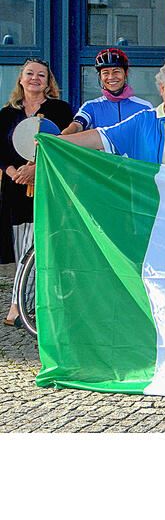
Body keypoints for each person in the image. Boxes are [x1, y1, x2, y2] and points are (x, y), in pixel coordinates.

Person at [0, 58, 73, 326]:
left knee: (38, 247)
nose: (35, 78)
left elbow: (65, 145)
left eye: (41, 75)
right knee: (23, 248)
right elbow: (0, 152)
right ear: (21, 79)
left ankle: (20, 307)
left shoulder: (60, 110)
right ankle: (23, 305)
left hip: (47, 186)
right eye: (30, 73)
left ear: (48, 81)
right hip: (15, 190)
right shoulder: (6, 114)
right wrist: (15, 174)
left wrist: (35, 169)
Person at [60, 59, 165, 170]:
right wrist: (56, 141)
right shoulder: (144, 120)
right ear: (162, 88)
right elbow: (101, 137)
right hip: (149, 206)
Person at [61, 47, 152, 135]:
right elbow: (77, 125)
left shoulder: (144, 107)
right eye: (105, 73)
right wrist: (62, 136)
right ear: (100, 77)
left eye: (116, 71)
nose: (111, 77)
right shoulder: (91, 106)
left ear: (126, 74)